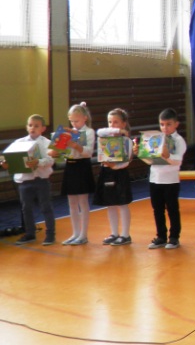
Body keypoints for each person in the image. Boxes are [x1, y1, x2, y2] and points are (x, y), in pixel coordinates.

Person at [1, 114, 56, 245]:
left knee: (46, 207)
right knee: (26, 208)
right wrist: (5, 163)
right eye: (30, 125)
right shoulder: (18, 143)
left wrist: (38, 162)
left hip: (41, 180)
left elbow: (50, 160)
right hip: (24, 181)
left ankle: (50, 234)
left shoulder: (47, 143)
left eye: (36, 126)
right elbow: (8, 159)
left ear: (43, 128)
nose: (33, 128)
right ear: (26, 127)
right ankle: (30, 233)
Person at [141, 108, 186, 249]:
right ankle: (161, 236)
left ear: (176, 124)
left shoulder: (179, 140)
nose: (165, 128)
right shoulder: (156, 139)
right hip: (155, 179)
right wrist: (141, 154)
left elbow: (177, 161)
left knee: (172, 209)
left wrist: (167, 155)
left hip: (171, 180)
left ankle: (174, 237)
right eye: (162, 124)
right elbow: (150, 161)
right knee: (157, 209)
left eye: (168, 124)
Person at [52, 103, 95, 245]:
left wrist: (75, 145)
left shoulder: (89, 132)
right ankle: (75, 233)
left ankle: (83, 234)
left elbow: (88, 152)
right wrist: (57, 149)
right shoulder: (68, 132)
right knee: (71, 201)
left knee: (83, 201)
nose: (74, 124)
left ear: (84, 118)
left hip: (82, 166)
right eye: (71, 121)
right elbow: (59, 153)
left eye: (76, 121)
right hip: (70, 166)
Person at [95, 108, 134, 246]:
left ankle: (125, 235)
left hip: (119, 173)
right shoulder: (105, 138)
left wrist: (114, 166)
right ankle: (114, 233)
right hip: (107, 172)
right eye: (110, 122)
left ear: (124, 124)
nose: (112, 125)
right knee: (110, 204)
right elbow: (99, 131)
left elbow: (126, 161)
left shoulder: (126, 140)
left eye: (116, 122)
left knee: (122, 204)